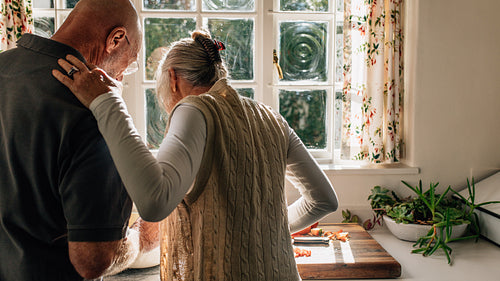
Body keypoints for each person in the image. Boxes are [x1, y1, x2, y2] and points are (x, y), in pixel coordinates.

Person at [52, 30, 339, 281]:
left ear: (173, 78)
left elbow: (154, 201)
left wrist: (108, 103)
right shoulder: (272, 117)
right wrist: (261, 226)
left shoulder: (193, 108)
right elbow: (324, 200)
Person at [0, 0, 160, 280]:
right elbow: (92, 260)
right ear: (116, 38)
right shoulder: (95, 114)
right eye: (130, 62)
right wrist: (142, 239)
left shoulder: (3, 66)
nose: (122, 75)